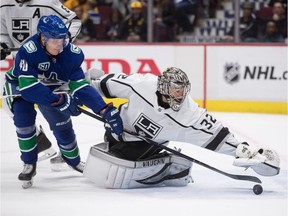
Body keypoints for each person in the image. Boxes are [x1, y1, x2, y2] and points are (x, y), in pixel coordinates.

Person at [83, 67, 280, 189]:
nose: (180, 94)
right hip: (114, 131)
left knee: (119, 162)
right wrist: (82, 86)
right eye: (175, 89)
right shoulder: (143, 84)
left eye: (182, 89)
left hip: (142, 147)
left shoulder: (189, 113)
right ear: (163, 87)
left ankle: (165, 165)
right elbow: (107, 84)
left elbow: (217, 134)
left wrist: (246, 151)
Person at [3, 15, 123, 188]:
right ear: (43, 38)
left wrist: (103, 109)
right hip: (20, 86)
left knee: (62, 124)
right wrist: (60, 101)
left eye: (62, 40)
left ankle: (72, 160)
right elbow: (29, 89)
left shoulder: (72, 54)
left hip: (52, 89)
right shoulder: (28, 50)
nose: (59, 46)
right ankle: (29, 163)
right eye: (54, 41)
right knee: (23, 117)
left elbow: (80, 86)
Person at [0, 0, 82, 161]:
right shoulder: (3, 4)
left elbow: (74, 20)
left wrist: (61, 42)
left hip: (49, 67)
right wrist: (2, 45)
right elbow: (3, 32)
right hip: (25, 70)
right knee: (12, 108)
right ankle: (41, 142)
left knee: (57, 114)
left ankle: (67, 153)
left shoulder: (46, 2)